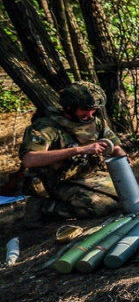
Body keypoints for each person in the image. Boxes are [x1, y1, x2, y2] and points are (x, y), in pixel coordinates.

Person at [19, 82, 130, 226]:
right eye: (84, 109)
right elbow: (29, 160)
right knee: (100, 206)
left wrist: (122, 157)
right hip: (56, 182)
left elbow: (114, 147)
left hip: (86, 175)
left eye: (93, 110)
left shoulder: (95, 122)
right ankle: (42, 206)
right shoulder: (47, 127)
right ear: (69, 107)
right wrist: (79, 150)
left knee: (127, 194)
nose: (89, 114)